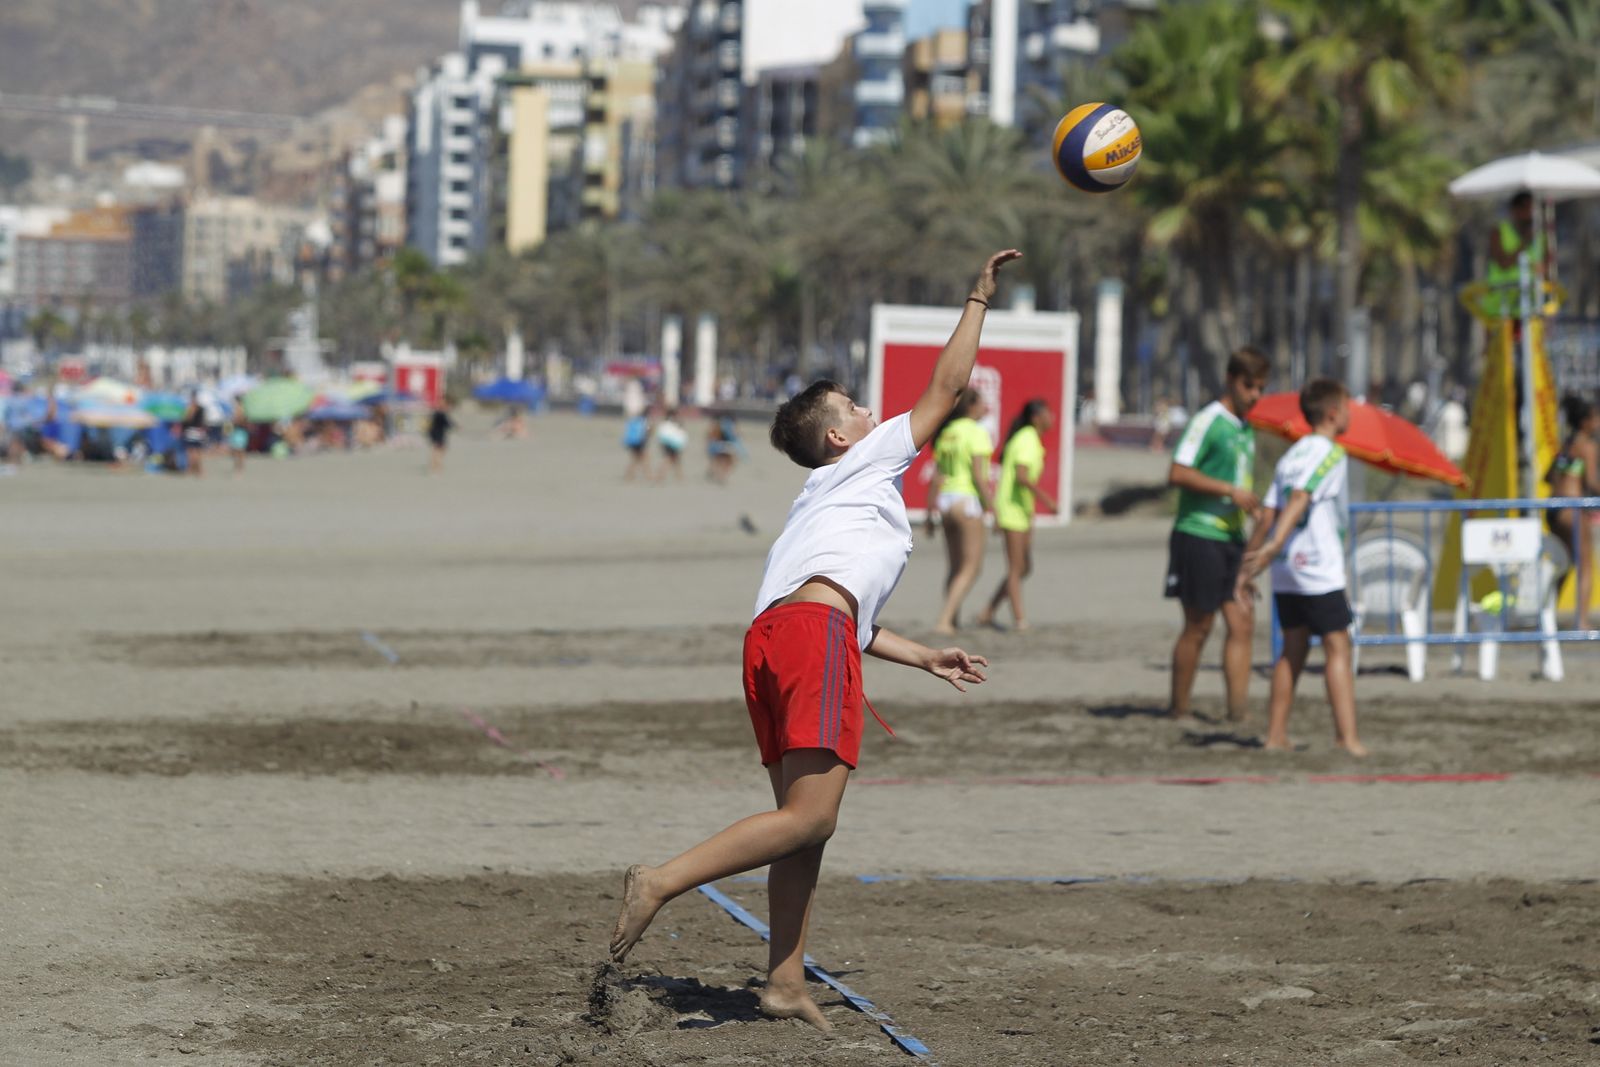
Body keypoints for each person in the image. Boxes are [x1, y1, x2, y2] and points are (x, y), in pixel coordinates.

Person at [608, 249, 1021, 1032]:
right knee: (811, 820)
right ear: (838, 435)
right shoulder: (865, 460)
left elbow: (843, 610)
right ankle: (660, 879)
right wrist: (976, 298)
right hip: (809, 635)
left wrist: (925, 653)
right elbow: (949, 387)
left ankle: (786, 981)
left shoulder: (825, 495)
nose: (873, 413)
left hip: (775, 636)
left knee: (802, 826)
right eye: (858, 407)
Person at [1235, 378, 1366, 756]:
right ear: (1332, 413)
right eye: (1346, 406)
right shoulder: (1329, 453)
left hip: (1286, 568)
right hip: (1316, 567)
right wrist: (1273, 543)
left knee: (1292, 648)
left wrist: (1251, 563)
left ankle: (1275, 735)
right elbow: (1299, 498)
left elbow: (1267, 513)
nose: (1350, 413)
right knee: (1338, 647)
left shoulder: (1290, 455)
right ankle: (1347, 738)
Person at [1165, 347, 1268, 722]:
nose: (1254, 395)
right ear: (1230, 380)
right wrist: (1229, 491)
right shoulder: (1208, 420)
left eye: (1260, 388)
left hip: (1232, 538)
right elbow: (1177, 472)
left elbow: (1240, 481)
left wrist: (1251, 507)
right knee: (1199, 625)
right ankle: (1179, 709)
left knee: (1242, 621)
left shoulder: (1246, 427)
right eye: (1248, 386)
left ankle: (1238, 714)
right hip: (1198, 534)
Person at [977, 399, 1058, 631]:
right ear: (1036, 417)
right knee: (1016, 567)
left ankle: (988, 611)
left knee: (1024, 567)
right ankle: (1020, 619)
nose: (1052, 418)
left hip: (1021, 509)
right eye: (1048, 413)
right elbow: (1022, 476)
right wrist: (1047, 500)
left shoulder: (1029, 438)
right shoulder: (1027, 439)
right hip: (1011, 509)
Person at [927, 389, 994, 634]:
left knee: (955, 567)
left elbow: (937, 476)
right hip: (966, 501)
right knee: (971, 567)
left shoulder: (947, 432)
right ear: (972, 406)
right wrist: (992, 508)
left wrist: (928, 512)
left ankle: (952, 619)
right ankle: (945, 620)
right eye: (981, 402)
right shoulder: (976, 432)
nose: (985, 407)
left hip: (946, 501)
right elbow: (978, 475)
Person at [1547, 394, 1600, 629]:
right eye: (1596, 418)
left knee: (1563, 563)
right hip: (1574, 508)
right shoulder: (1587, 445)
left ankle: (1546, 615)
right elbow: (1592, 481)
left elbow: (1549, 476)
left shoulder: (1565, 445)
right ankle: (1582, 621)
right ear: (1585, 422)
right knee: (1586, 565)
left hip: (1553, 508)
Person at [1484, 190, 1550, 322]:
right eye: (1527, 208)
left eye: (1534, 209)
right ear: (1515, 210)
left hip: (1531, 307)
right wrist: (1525, 242)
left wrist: (1541, 269)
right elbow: (1503, 264)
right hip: (1499, 307)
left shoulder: (1541, 237)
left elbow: (1546, 270)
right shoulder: (1498, 232)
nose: (1531, 213)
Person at [706, 413, 746, 484]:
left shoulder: (718, 426)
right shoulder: (731, 427)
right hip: (728, 447)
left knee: (719, 462)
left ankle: (719, 475)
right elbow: (736, 437)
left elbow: (711, 437)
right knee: (729, 462)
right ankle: (722, 476)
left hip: (719, 447)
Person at [654, 408, 687, 482]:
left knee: (675, 460)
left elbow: (660, 435)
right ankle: (660, 476)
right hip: (672, 444)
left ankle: (679, 477)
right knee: (669, 460)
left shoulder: (666, 423)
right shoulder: (672, 423)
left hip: (668, 444)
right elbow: (677, 434)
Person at [622, 409, 652, 481]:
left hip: (632, 442)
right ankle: (648, 475)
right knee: (644, 459)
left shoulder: (634, 420)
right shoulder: (645, 421)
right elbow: (647, 431)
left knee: (635, 459)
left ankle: (629, 475)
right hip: (640, 442)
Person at [180, 395, 207, 477]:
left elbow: (185, 421)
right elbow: (202, 422)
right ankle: (198, 469)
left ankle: (192, 468)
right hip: (198, 431)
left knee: (191, 451)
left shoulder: (189, 409)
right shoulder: (201, 409)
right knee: (197, 451)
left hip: (191, 431)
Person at [427, 400, 455, 474]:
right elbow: (448, 424)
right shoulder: (440, 414)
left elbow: (448, 423)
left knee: (439, 450)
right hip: (438, 435)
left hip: (436, 434)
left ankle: (435, 466)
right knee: (438, 451)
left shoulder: (437, 413)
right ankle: (436, 467)